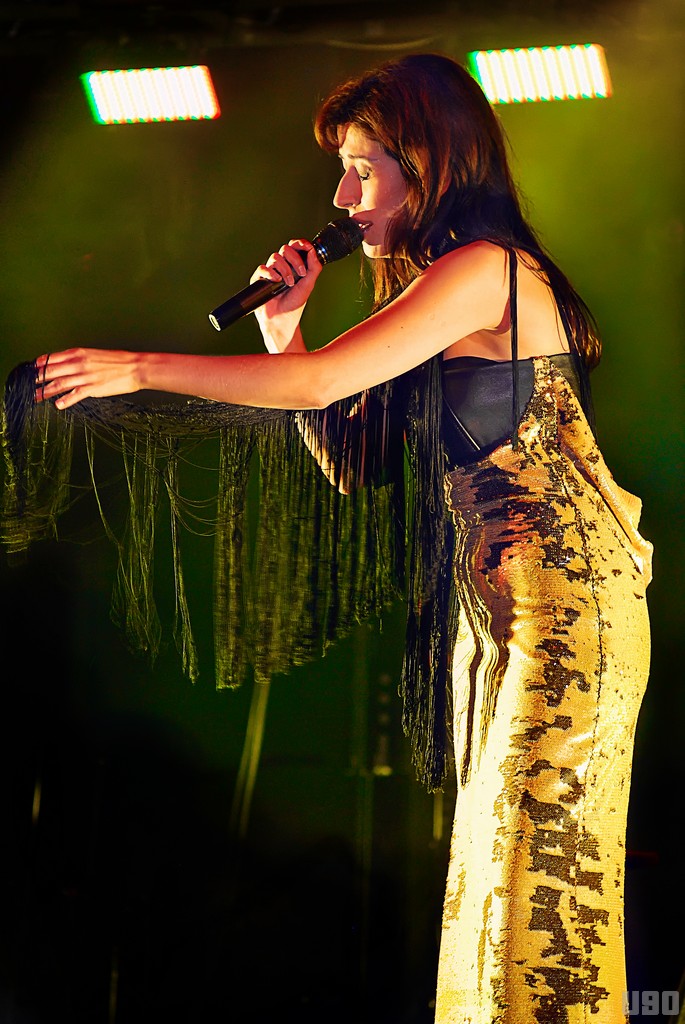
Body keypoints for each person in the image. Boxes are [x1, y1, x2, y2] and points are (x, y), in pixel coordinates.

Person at [31, 53, 652, 1024]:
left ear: (429, 159)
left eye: (363, 168)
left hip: (566, 614)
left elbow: (324, 390)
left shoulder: (483, 271)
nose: (341, 195)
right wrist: (285, 335)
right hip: (513, 611)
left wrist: (137, 364)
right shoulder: (444, 284)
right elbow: (351, 459)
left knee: (536, 882)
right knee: (497, 879)